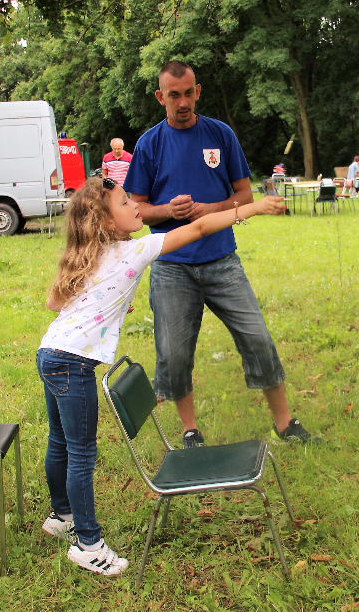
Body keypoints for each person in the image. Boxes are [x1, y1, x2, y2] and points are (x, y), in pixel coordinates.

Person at [37, 177, 285, 576]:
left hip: (50, 354)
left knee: (60, 442)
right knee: (82, 454)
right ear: (105, 220)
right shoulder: (135, 250)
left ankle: (60, 516)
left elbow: (54, 302)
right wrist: (251, 208)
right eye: (124, 203)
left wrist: (108, 306)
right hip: (76, 362)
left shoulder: (85, 255)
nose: (137, 205)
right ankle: (87, 543)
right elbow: (199, 228)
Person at [124, 61, 320, 448]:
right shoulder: (149, 144)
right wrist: (169, 212)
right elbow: (137, 210)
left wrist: (208, 210)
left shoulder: (221, 134)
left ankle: (284, 424)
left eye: (188, 92)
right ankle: (190, 431)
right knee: (174, 354)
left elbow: (244, 196)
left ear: (198, 91)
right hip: (171, 265)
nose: (182, 102)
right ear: (160, 97)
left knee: (258, 339)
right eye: (173, 95)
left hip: (221, 259)